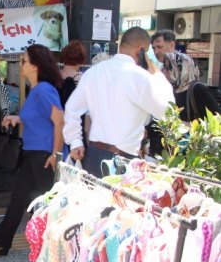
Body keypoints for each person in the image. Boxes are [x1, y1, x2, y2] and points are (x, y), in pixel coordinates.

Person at [0, 44, 64, 257]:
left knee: (49, 203)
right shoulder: (35, 90)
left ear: (36, 66)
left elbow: (59, 121)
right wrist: (17, 118)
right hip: (32, 154)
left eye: (24, 61)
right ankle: (0, 242)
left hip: (44, 156)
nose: (20, 65)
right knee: (18, 199)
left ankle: (58, 247)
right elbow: (40, 118)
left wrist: (55, 154)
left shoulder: (44, 90)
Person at [63, 26, 173, 177]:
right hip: (124, 161)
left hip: (95, 155)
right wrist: (156, 74)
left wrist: (75, 141)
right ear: (141, 51)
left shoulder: (93, 72)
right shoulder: (141, 77)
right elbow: (168, 112)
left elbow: (71, 109)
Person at [162, 51, 221, 122]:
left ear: (181, 69)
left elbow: (218, 120)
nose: (164, 71)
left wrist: (189, 126)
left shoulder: (198, 90)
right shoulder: (170, 90)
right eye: (164, 67)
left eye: (168, 67)